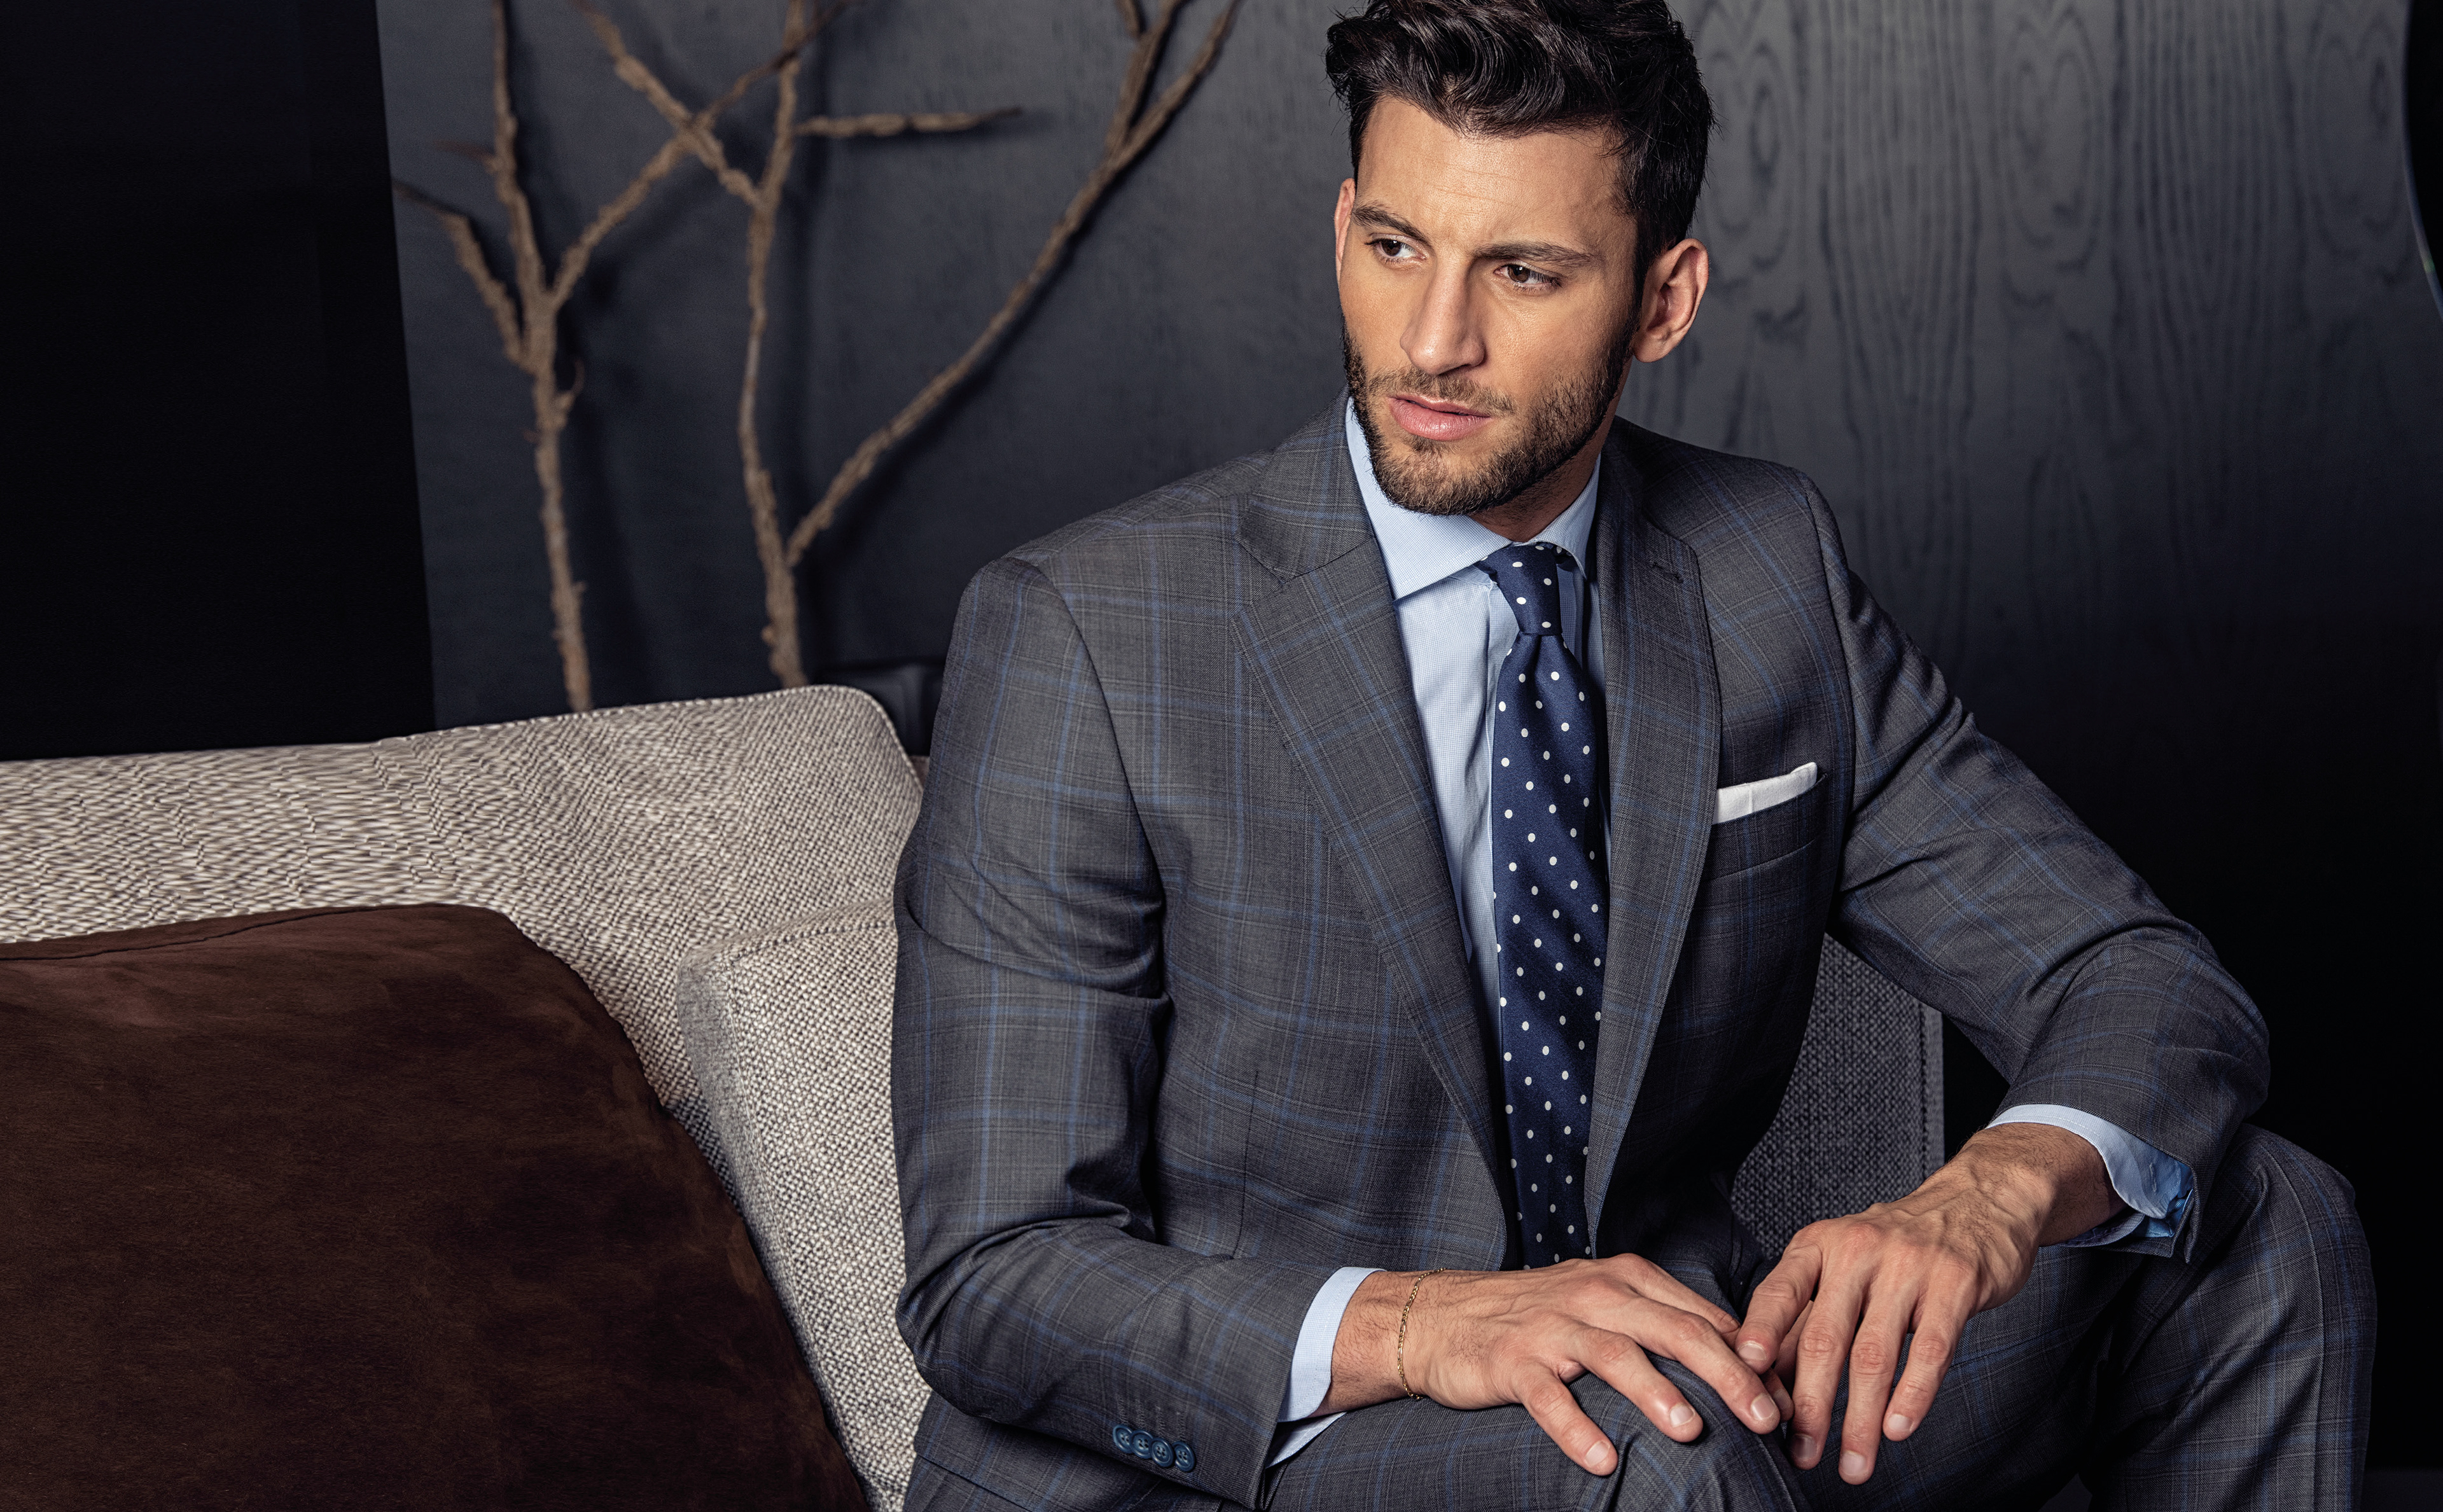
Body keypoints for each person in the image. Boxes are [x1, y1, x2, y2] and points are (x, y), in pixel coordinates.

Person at [889, 2, 2373, 1507]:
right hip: (1272, 1449)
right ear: (1344, 224)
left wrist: (1989, 1190)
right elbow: (993, 1275)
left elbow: (2137, 973)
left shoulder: (1762, 571)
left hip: (1688, 1393)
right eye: (1395, 246)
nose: (1433, 341)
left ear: (1664, 301)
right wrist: (1417, 1324)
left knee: (2258, 1217)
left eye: (1523, 272)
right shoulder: (1088, 631)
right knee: (1663, 1454)